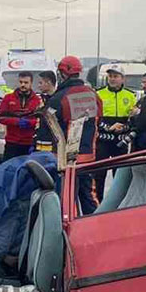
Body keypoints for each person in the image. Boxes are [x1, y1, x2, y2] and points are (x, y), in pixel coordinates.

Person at [39, 56, 102, 214]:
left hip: (66, 158)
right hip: (88, 156)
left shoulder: (59, 98)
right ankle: (96, 226)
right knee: (88, 195)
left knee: (67, 197)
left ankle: (70, 231)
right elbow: (98, 121)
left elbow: (48, 128)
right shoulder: (93, 95)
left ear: (62, 74)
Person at [94, 66, 137, 198]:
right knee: (99, 174)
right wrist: (108, 127)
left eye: (115, 76)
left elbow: (134, 119)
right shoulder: (99, 94)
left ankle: (118, 204)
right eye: (110, 76)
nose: (112, 79)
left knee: (119, 176)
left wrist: (124, 127)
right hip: (103, 141)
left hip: (121, 142)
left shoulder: (130, 95)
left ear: (122, 79)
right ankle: (98, 203)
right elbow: (94, 117)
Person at [0, 72, 43, 162]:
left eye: (26, 82)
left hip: (29, 143)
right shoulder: (8, 98)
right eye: (21, 82)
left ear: (31, 83)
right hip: (12, 142)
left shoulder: (37, 100)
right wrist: (16, 122)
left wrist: (30, 123)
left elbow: (41, 120)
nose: (23, 85)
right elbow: (0, 117)